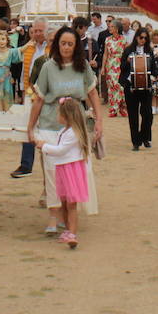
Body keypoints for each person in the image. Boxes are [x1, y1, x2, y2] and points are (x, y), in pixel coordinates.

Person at [28, 25, 102, 233]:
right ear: (57, 44)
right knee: (52, 171)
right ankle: (54, 215)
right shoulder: (48, 67)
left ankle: (69, 214)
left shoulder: (83, 66)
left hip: (76, 125)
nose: (66, 47)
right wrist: (31, 127)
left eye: (70, 44)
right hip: (51, 123)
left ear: (76, 46)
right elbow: (39, 99)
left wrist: (99, 120)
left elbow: (93, 94)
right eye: (63, 43)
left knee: (73, 170)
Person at [34, 96, 91, 248]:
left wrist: (44, 146)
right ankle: (67, 230)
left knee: (71, 204)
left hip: (71, 170)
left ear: (66, 116)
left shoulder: (73, 133)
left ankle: (72, 232)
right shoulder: (64, 131)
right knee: (65, 203)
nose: (57, 116)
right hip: (63, 169)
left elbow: (61, 150)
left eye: (59, 113)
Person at [10, 19, 51, 179]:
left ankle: (49, 165)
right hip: (30, 93)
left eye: (41, 30)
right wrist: (21, 90)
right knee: (28, 127)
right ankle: (26, 164)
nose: (37, 33)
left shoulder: (52, 48)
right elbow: (24, 71)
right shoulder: (29, 47)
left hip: (48, 95)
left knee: (47, 131)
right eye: (35, 30)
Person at [119, 27, 158, 151]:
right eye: (141, 37)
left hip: (146, 86)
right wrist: (127, 61)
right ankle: (136, 142)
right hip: (131, 86)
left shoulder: (149, 51)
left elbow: (153, 67)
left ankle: (145, 138)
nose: (143, 40)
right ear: (136, 37)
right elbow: (122, 67)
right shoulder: (128, 50)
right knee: (133, 114)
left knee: (147, 114)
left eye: (145, 38)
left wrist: (157, 75)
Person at [99, 20, 128, 118]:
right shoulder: (107, 39)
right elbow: (105, 54)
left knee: (120, 87)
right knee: (111, 88)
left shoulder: (124, 40)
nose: (109, 28)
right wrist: (103, 67)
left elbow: (127, 53)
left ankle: (122, 108)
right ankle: (113, 109)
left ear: (116, 28)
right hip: (110, 66)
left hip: (121, 65)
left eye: (111, 26)